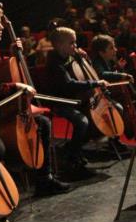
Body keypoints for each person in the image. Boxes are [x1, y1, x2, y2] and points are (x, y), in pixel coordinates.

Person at [0, 3, 70, 196]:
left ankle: (44, 180)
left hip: (0, 113)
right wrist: (16, 87)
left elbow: (1, 76)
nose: (1, 27)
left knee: (41, 123)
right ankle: (0, 192)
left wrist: (13, 56)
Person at [45, 27, 109, 180]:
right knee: (82, 122)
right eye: (72, 43)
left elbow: (83, 74)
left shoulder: (70, 57)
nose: (75, 46)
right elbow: (69, 84)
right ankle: (71, 158)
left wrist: (85, 60)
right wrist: (95, 83)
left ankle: (73, 150)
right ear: (60, 45)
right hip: (61, 102)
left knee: (93, 120)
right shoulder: (54, 62)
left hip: (76, 100)